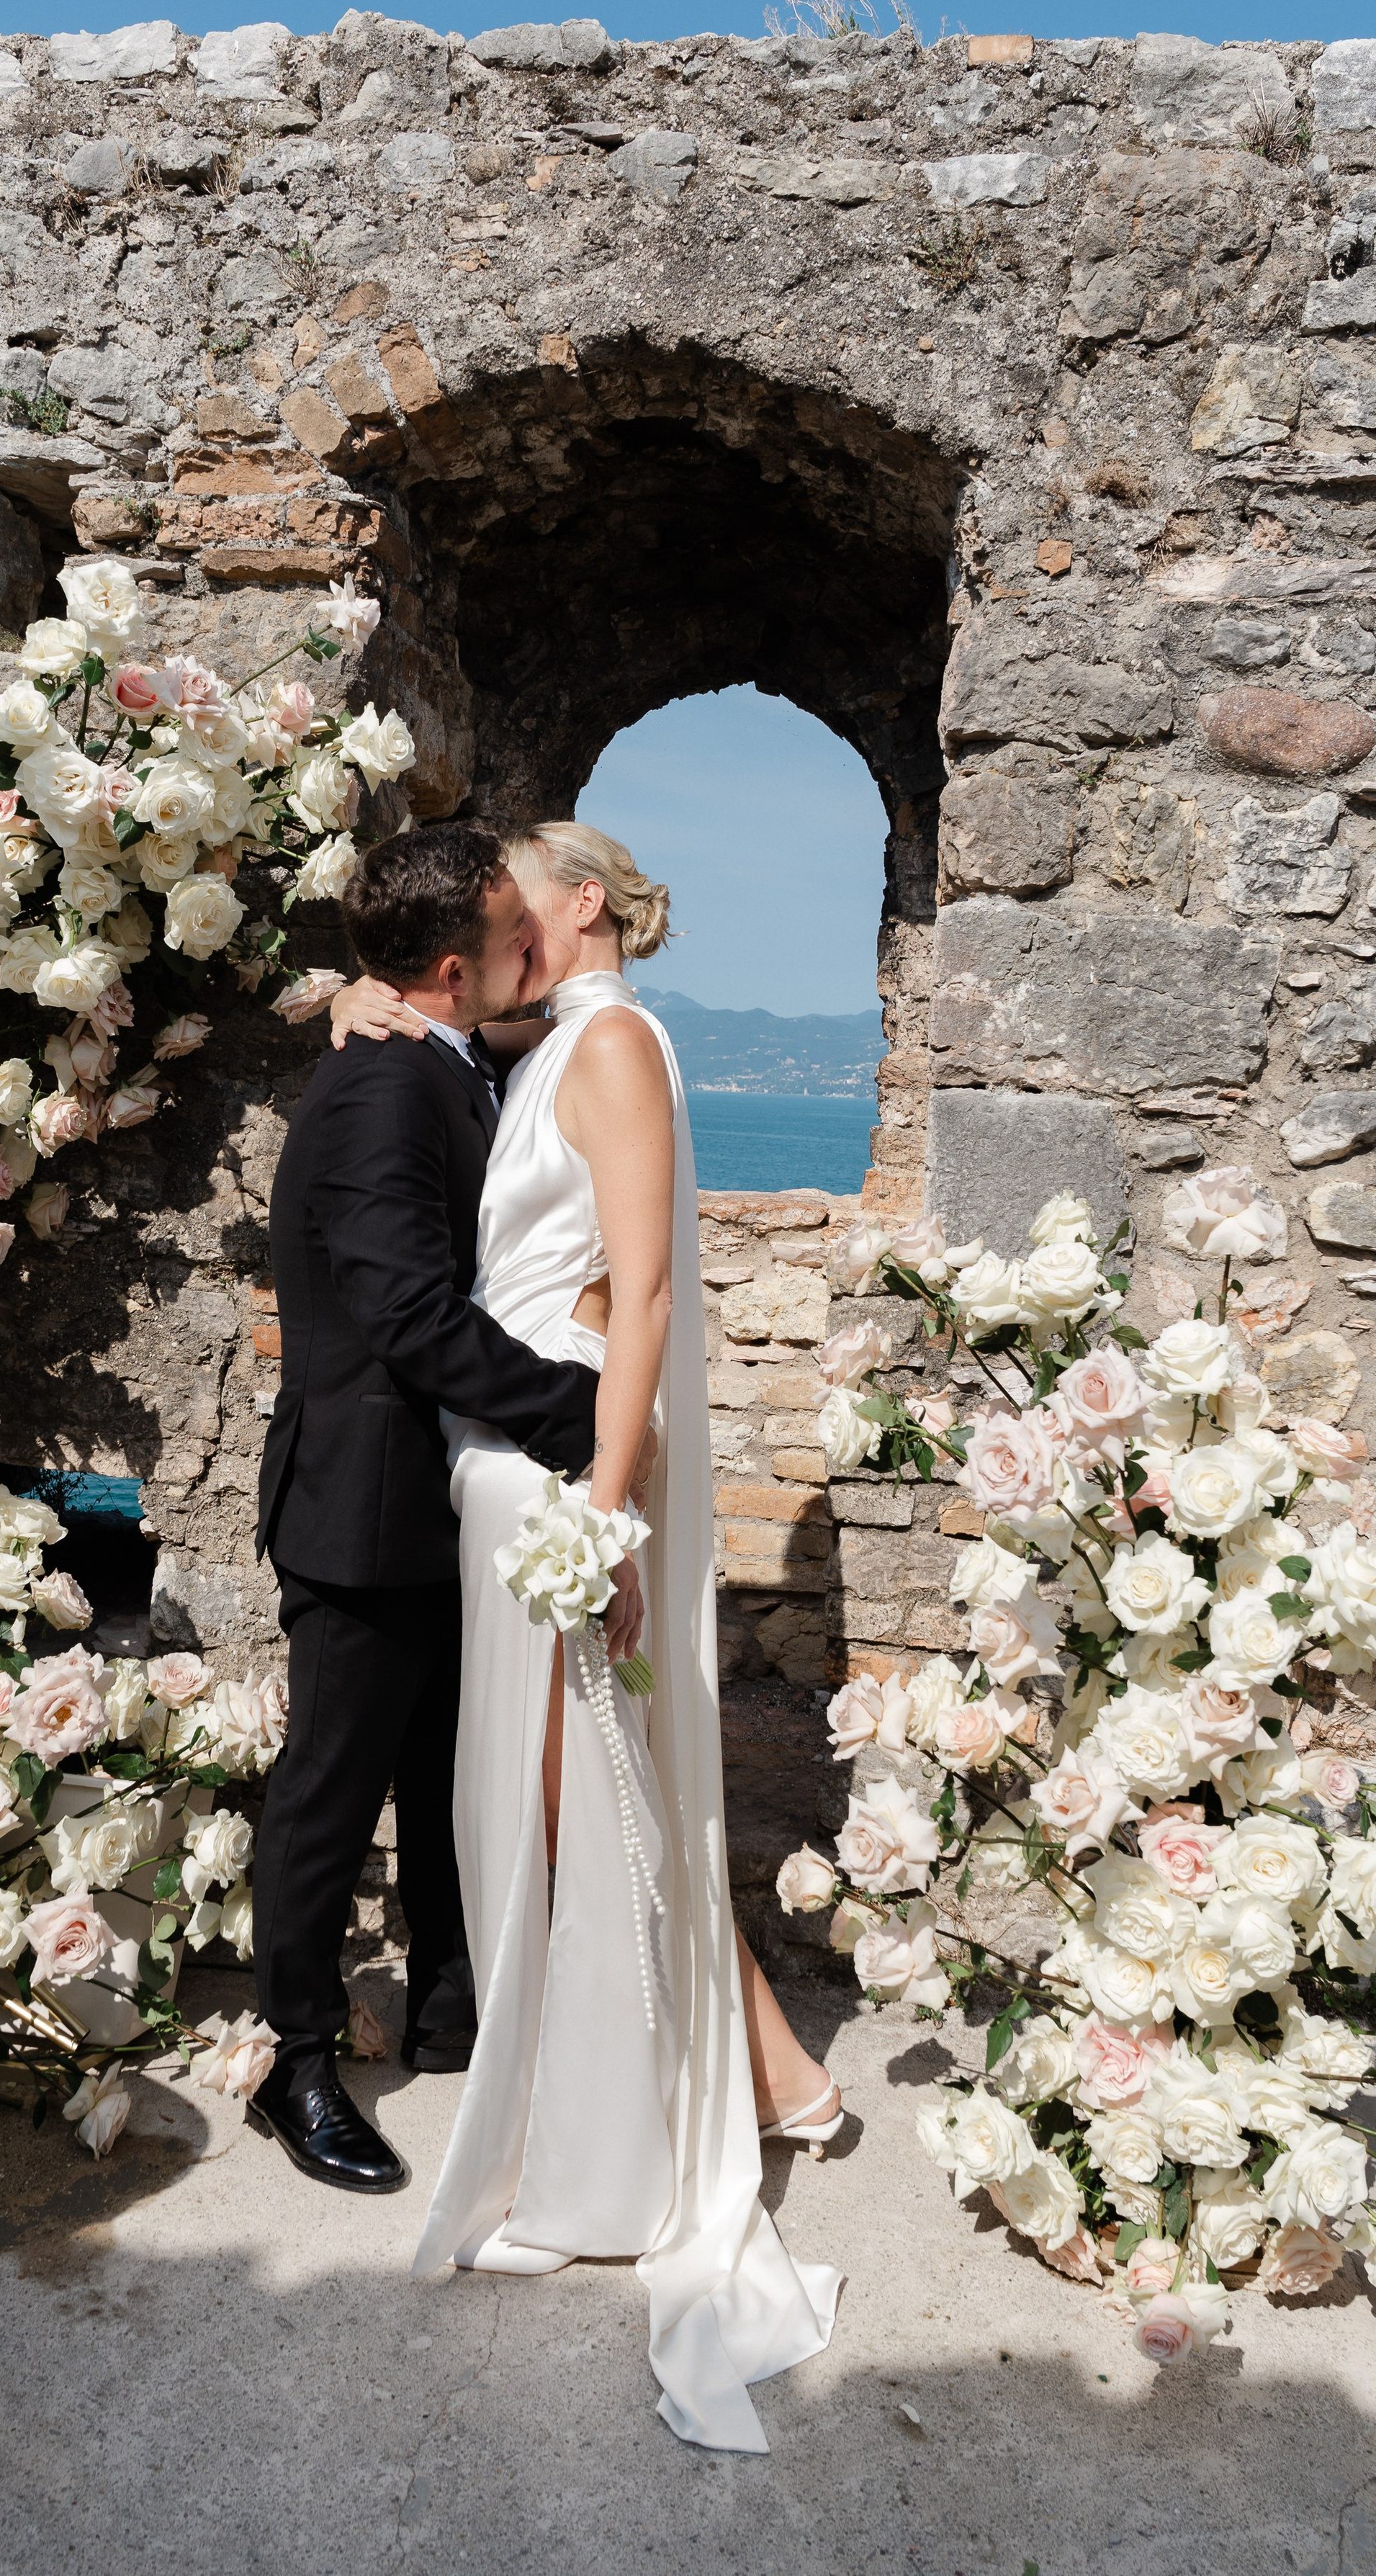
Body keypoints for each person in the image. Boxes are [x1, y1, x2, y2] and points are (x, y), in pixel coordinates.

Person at [328, 820, 842, 2452]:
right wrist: (342, 989)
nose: (496, 926)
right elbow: (429, 1005)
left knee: (577, 1803)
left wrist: (606, 1509)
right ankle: (772, 2077)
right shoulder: (543, 1041)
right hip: (516, 1477)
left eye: (512, 898)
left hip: (560, 1485)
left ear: (581, 905)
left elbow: (643, 1298)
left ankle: (619, 2159)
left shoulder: (614, 1044)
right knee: (572, 1804)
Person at [251, 823, 636, 2198]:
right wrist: (582, 1417)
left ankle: (449, 2015)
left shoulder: (453, 1064)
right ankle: (292, 2065)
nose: (537, 950)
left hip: (444, 1504)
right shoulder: (382, 1092)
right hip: (364, 1507)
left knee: (443, 1780)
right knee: (331, 1792)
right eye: (513, 934)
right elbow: (407, 1318)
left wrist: (346, 986)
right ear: (458, 960)